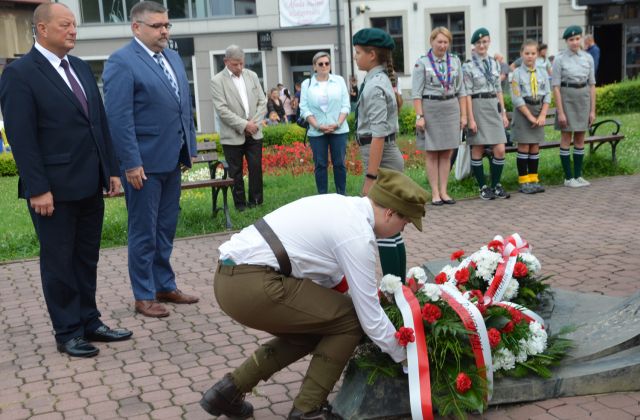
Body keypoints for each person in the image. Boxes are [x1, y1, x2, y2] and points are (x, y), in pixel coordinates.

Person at [199, 168, 429, 420]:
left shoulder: (342, 206)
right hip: (252, 284)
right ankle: (307, 410)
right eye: (405, 222)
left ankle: (227, 391)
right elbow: (369, 319)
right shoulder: (357, 235)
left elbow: (330, 279)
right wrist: (410, 360)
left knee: (318, 326)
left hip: (230, 280)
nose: (403, 230)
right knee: (350, 321)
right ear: (389, 213)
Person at [0, 3, 132, 357]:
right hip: (53, 191)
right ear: (42, 29)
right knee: (59, 261)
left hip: (90, 183)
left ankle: (90, 320)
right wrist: (38, 188)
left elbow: (98, 123)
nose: (73, 30)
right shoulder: (20, 74)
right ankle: (68, 331)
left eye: (74, 25)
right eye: (65, 25)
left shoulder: (79, 67)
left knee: (86, 258)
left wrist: (112, 171)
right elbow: (22, 137)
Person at [103, 1, 199, 318]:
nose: (164, 31)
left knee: (166, 228)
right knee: (144, 231)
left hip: (172, 160)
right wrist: (130, 163)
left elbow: (183, 104)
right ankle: (143, 295)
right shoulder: (121, 62)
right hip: (142, 165)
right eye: (157, 26)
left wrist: (190, 148)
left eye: (167, 25)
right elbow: (119, 119)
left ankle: (164, 285)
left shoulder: (171, 57)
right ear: (136, 27)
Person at [353, 28, 407, 279]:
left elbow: (378, 135)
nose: (355, 57)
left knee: (383, 227)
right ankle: (399, 287)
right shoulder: (379, 79)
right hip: (386, 156)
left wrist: (371, 177)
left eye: (358, 52)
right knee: (392, 228)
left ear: (372, 54)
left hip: (381, 158)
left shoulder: (375, 86)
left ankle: (393, 290)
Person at [412, 27, 467, 206]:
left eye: (446, 42)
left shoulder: (455, 61)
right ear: (432, 42)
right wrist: (419, 116)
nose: (443, 46)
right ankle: (434, 193)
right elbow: (416, 93)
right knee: (432, 152)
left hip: (451, 108)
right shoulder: (422, 63)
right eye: (439, 42)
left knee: (447, 152)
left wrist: (464, 115)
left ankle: (444, 191)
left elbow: (461, 90)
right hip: (431, 109)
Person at [210, 45, 267, 211]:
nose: (240, 67)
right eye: (235, 64)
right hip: (232, 135)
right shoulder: (217, 81)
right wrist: (244, 125)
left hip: (254, 132)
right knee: (235, 172)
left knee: (255, 168)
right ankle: (240, 205)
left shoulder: (252, 76)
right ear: (226, 61)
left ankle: (256, 202)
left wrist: (253, 124)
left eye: (242, 63)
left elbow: (262, 102)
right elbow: (222, 110)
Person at [463, 28, 510, 200]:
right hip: (477, 106)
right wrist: (470, 119)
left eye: (485, 42)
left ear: (489, 42)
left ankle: (496, 184)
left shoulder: (495, 63)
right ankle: (483, 187)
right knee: (478, 147)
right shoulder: (468, 66)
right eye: (478, 43)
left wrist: (503, 113)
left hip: (493, 106)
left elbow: (499, 90)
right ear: (474, 45)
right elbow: (467, 94)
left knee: (500, 148)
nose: (482, 45)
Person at [299, 51, 350, 195]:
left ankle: (341, 194)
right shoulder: (306, 84)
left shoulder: (339, 80)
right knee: (320, 165)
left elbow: (346, 105)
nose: (324, 66)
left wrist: (338, 123)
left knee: (339, 164)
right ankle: (323, 196)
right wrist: (317, 126)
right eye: (320, 64)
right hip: (316, 131)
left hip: (338, 130)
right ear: (314, 66)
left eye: (327, 63)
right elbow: (304, 108)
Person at [552, 26, 596, 188]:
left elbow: (592, 85)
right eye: (571, 39)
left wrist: (592, 110)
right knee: (566, 137)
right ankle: (568, 177)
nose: (575, 42)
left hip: (583, 97)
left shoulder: (588, 58)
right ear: (566, 41)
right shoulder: (559, 59)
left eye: (577, 38)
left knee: (580, 138)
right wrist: (561, 112)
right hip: (567, 97)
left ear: (581, 39)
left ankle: (578, 175)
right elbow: (556, 87)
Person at [510, 39, 552, 194]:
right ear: (521, 54)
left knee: (534, 146)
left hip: (538, 110)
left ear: (537, 54)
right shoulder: (516, 74)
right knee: (524, 146)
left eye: (533, 53)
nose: (530, 56)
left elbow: (548, 94)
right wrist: (529, 116)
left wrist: (542, 115)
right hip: (523, 112)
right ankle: (524, 181)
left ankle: (534, 179)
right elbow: (516, 98)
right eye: (527, 53)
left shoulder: (542, 72)